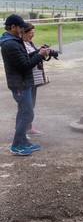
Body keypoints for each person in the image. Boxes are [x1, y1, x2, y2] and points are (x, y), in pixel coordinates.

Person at [0, 14, 50, 155]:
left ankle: (24, 142)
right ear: (13, 27)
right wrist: (39, 54)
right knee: (27, 113)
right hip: (19, 84)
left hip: (24, 82)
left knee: (25, 112)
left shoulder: (15, 40)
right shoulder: (10, 44)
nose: (23, 29)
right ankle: (16, 145)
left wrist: (38, 51)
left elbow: (25, 57)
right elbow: (25, 65)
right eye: (21, 27)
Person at [22, 23, 46, 138]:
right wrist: (40, 53)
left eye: (33, 33)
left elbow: (34, 56)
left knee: (31, 105)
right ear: (24, 33)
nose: (33, 36)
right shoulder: (22, 45)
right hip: (27, 79)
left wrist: (44, 52)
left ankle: (29, 127)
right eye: (31, 33)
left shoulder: (29, 43)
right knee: (25, 107)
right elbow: (28, 61)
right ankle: (21, 131)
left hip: (34, 79)